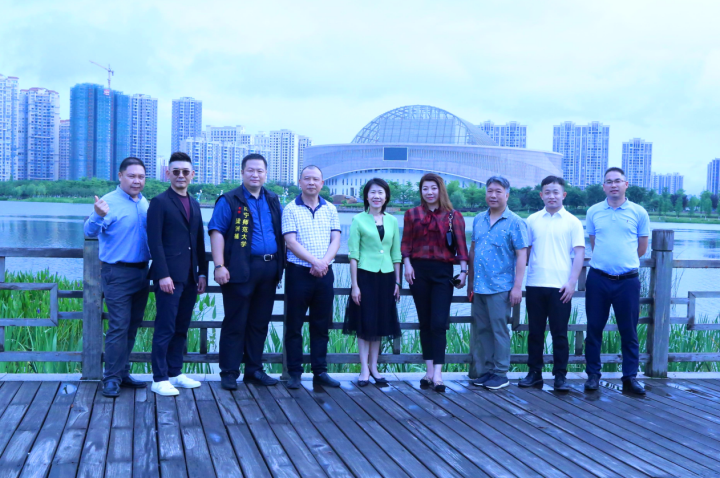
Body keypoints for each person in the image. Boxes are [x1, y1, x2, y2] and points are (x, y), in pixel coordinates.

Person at [208, 153, 286, 390]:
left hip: (269, 269)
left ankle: (254, 370)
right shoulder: (230, 200)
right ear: (242, 172)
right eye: (250, 170)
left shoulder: (272, 199)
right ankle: (229, 372)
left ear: (265, 174)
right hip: (240, 269)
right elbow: (216, 232)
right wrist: (219, 265)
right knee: (235, 321)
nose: (255, 174)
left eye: (260, 171)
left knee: (259, 322)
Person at [84, 157, 151, 398]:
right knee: (119, 326)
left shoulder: (144, 203)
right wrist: (97, 215)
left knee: (132, 325)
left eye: (141, 176)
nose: (137, 181)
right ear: (120, 176)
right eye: (131, 176)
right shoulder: (108, 202)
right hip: (117, 273)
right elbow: (89, 231)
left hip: (142, 272)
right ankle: (110, 378)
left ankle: (122, 372)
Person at [147, 152, 208, 396]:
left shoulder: (194, 203)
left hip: (191, 276)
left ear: (192, 175)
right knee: (165, 327)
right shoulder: (159, 202)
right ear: (168, 174)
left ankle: (175, 372)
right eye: (176, 171)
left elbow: (199, 241)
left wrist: (203, 273)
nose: (181, 175)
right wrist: (163, 274)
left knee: (182, 327)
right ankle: (159, 378)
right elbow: (155, 241)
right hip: (169, 277)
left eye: (185, 172)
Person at [584, 167, 649, 395]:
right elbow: (594, 242)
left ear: (625, 184)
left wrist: (623, 262)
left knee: (629, 331)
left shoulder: (639, 212)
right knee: (594, 328)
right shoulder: (593, 211)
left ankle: (630, 378)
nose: (613, 185)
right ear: (603, 186)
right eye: (609, 181)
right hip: (598, 279)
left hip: (627, 281)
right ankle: (593, 375)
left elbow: (641, 247)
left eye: (618, 181)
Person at [402, 173, 469, 392]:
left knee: (439, 323)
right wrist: (407, 265)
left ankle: (439, 374)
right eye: (425, 188)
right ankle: (429, 372)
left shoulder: (453, 216)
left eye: (433, 188)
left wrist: (463, 272)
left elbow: (461, 247)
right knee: (425, 322)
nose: (429, 192)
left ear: (440, 190)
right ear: (421, 191)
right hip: (418, 272)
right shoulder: (412, 214)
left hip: (443, 273)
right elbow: (406, 244)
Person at [518, 176, 585, 392]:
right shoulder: (532, 220)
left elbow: (579, 253)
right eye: (547, 192)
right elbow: (525, 251)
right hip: (535, 283)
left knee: (560, 333)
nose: (552, 196)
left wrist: (572, 282)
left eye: (556, 192)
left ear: (563, 195)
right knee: (535, 332)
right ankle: (534, 373)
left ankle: (560, 376)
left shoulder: (573, 222)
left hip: (561, 286)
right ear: (541, 195)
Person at [282, 165, 341, 389]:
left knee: (321, 325)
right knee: (294, 325)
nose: (311, 183)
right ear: (300, 182)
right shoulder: (290, 209)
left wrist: (323, 262)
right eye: (307, 179)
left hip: (325, 273)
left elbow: (336, 240)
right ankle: (295, 372)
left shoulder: (330, 209)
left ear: (322, 183)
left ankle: (320, 371)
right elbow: (291, 242)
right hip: (299, 272)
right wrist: (314, 262)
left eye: (315, 179)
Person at [468, 176, 528, 391]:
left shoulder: (516, 222)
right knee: (482, 330)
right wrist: (470, 282)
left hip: (501, 287)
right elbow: (473, 250)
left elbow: (522, 255)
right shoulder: (478, 219)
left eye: (498, 191)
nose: (493, 195)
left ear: (507, 195)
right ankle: (486, 371)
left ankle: (501, 373)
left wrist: (517, 287)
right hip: (479, 286)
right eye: (490, 191)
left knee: (499, 330)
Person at [343, 178, 402, 386]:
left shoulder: (392, 221)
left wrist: (397, 282)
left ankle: (374, 367)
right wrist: (355, 285)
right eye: (372, 192)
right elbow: (353, 255)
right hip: (365, 276)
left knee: (380, 323)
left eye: (380, 193)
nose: (377, 196)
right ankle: (364, 369)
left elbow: (396, 254)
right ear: (366, 196)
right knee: (364, 323)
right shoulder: (358, 220)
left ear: (386, 197)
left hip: (386, 277)